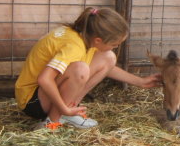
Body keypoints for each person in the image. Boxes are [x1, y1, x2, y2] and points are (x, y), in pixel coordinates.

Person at [15, 7, 161, 130]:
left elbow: (108, 67)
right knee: (80, 69)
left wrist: (140, 82)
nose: (116, 47)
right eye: (115, 44)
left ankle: (67, 112)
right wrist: (63, 108)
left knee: (108, 57)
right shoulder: (74, 47)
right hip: (33, 102)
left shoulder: (84, 37)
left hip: (44, 97)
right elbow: (45, 79)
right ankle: (52, 121)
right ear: (98, 40)